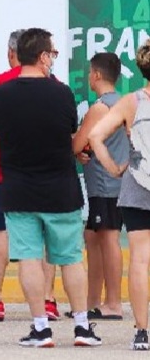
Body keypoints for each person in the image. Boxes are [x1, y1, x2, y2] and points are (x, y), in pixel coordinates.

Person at [0, 27, 100, 348]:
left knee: (28, 259)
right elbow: (66, 136)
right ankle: (81, 327)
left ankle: (40, 328)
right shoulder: (62, 93)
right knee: (70, 259)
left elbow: (5, 134)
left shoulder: (1, 94)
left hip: (18, 189)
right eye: (52, 53)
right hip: (60, 189)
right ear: (41, 57)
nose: (53, 59)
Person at [0, 29, 61, 323]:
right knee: (46, 235)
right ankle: (48, 301)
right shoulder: (54, 84)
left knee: (0, 232)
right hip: (45, 172)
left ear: (13, 53)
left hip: (3, 170)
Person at [89, 39, 150, 350]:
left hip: (138, 184)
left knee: (140, 259)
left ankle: (142, 331)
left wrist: (114, 168)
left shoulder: (131, 101)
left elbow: (95, 136)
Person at [71, 52, 127, 320]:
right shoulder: (123, 103)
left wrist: (78, 147)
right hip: (108, 184)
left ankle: (113, 303)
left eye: (89, 72)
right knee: (93, 237)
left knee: (109, 238)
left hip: (106, 185)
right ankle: (92, 301)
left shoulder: (100, 108)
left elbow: (77, 143)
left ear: (96, 75)